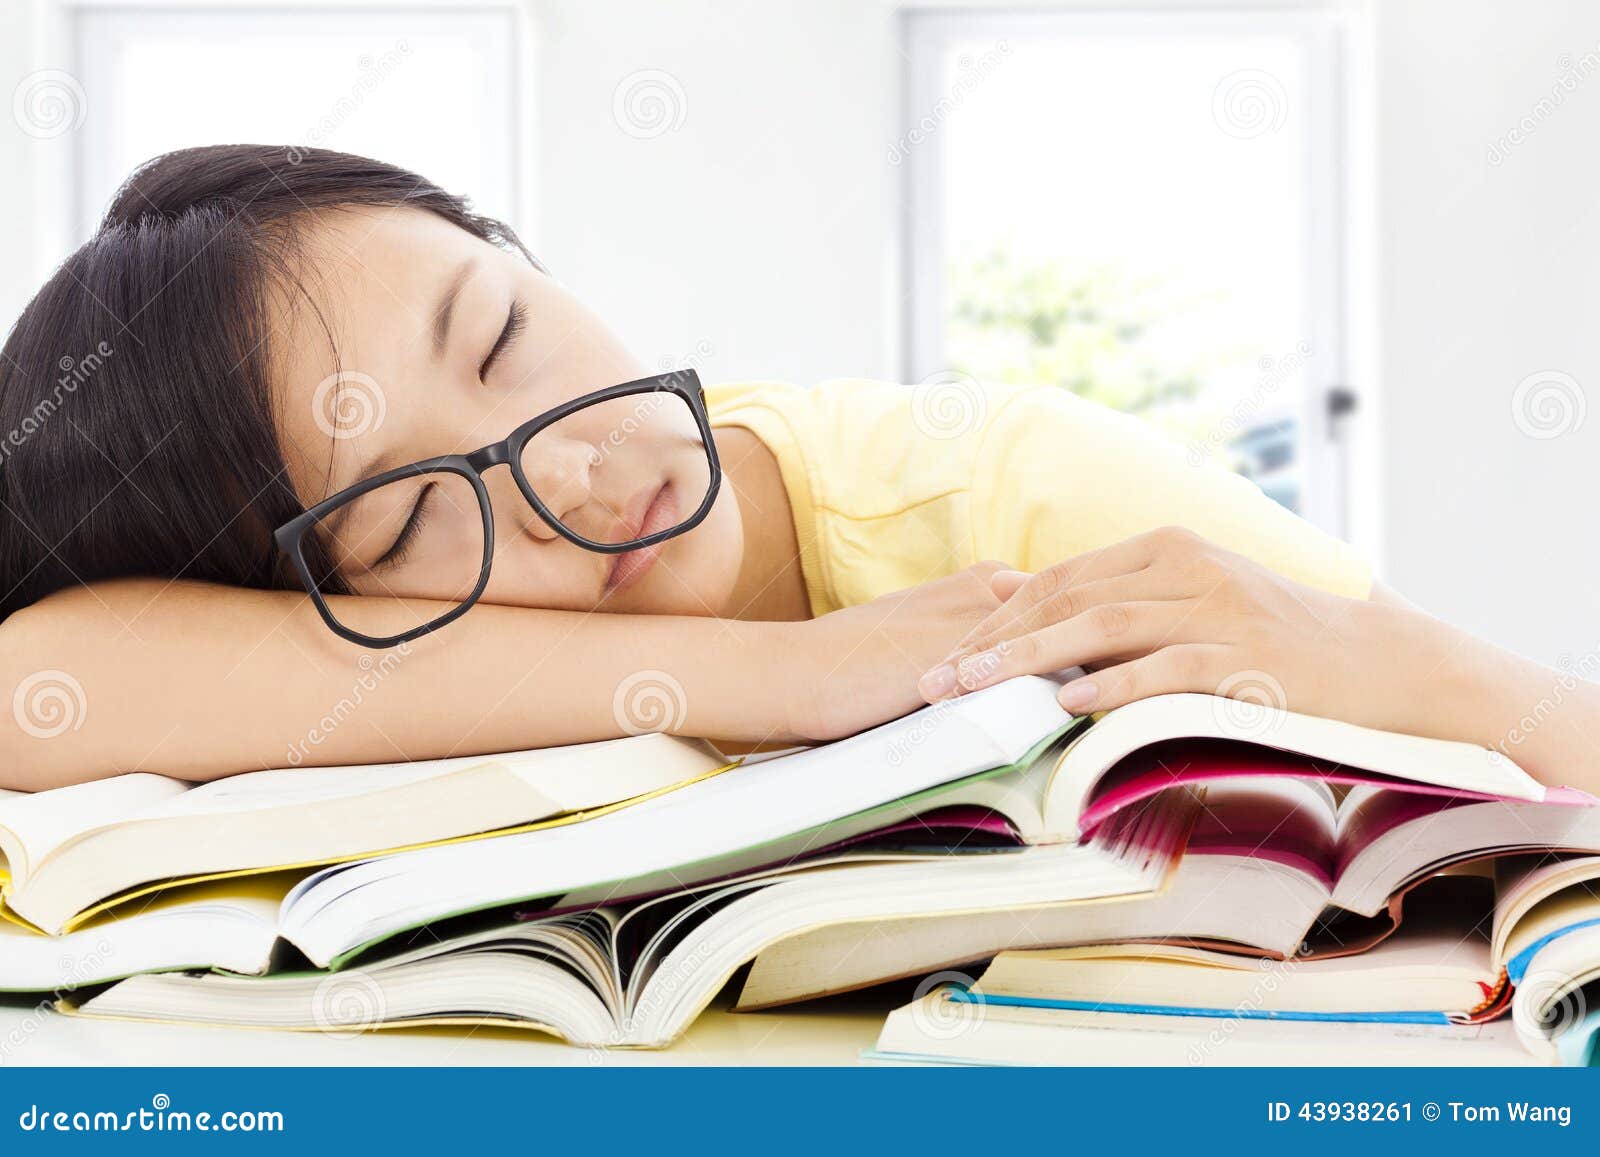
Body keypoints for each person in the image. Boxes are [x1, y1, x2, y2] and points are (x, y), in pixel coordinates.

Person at [0, 146, 1589, 794]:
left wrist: (1377, 653)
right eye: (414, 514)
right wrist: (785, 674)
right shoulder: (363, 677)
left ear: (520, 252)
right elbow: (38, 675)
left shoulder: (1001, 493)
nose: (568, 473)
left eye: (498, 335)